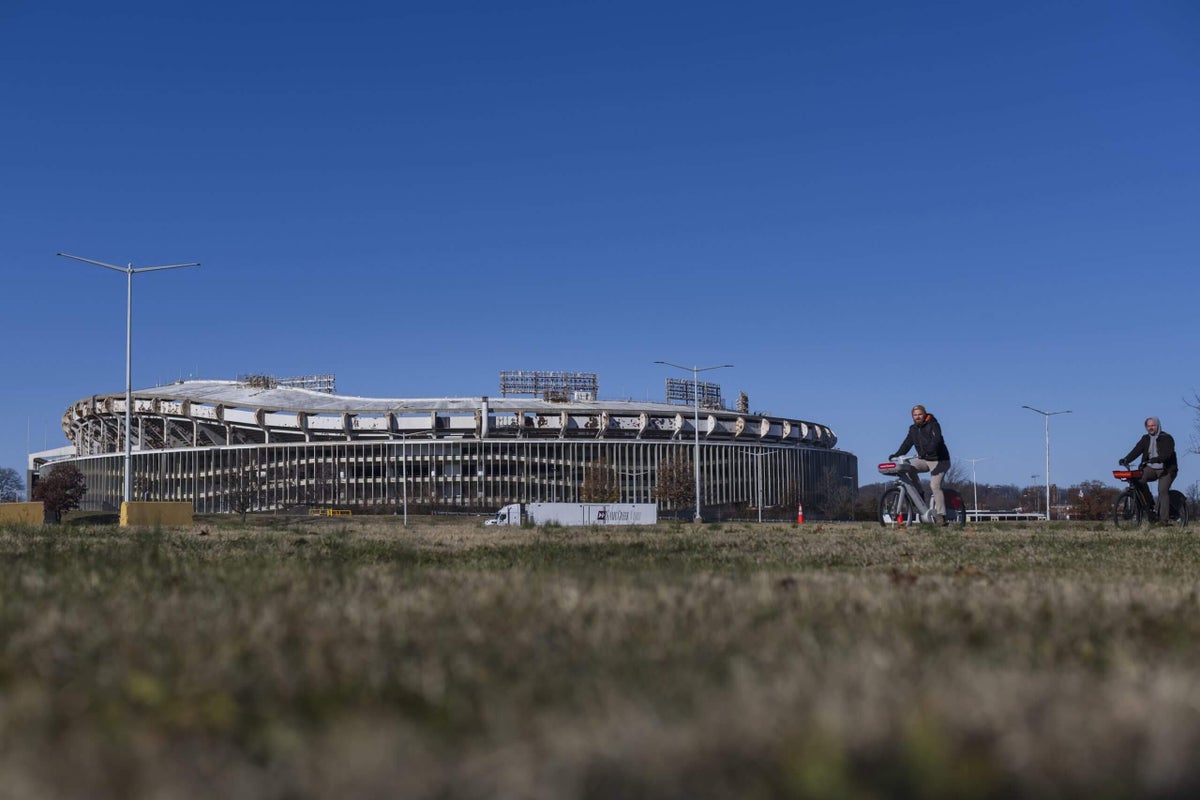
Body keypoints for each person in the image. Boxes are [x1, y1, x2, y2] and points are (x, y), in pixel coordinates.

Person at [890, 404, 952, 526]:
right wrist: (896, 454)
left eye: (920, 414)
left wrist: (927, 451)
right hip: (924, 459)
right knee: (910, 469)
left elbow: (937, 440)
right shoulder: (913, 429)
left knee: (935, 485)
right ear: (912, 417)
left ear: (924, 415)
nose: (917, 417)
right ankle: (919, 492)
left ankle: (941, 516)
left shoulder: (933, 425)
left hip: (940, 460)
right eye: (915, 415)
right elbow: (907, 443)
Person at [1120, 417, 1178, 525]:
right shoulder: (1145, 439)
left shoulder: (1166, 438)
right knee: (1139, 480)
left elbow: (1168, 453)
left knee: (1162, 490)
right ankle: (1149, 504)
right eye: (1148, 426)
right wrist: (1126, 459)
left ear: (1158, 425)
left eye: (1153, 425)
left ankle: (1163, 520)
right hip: (1151, 468)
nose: (1151, 428)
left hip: (1166, 469)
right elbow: (1136, 450)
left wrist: (1159, 459)